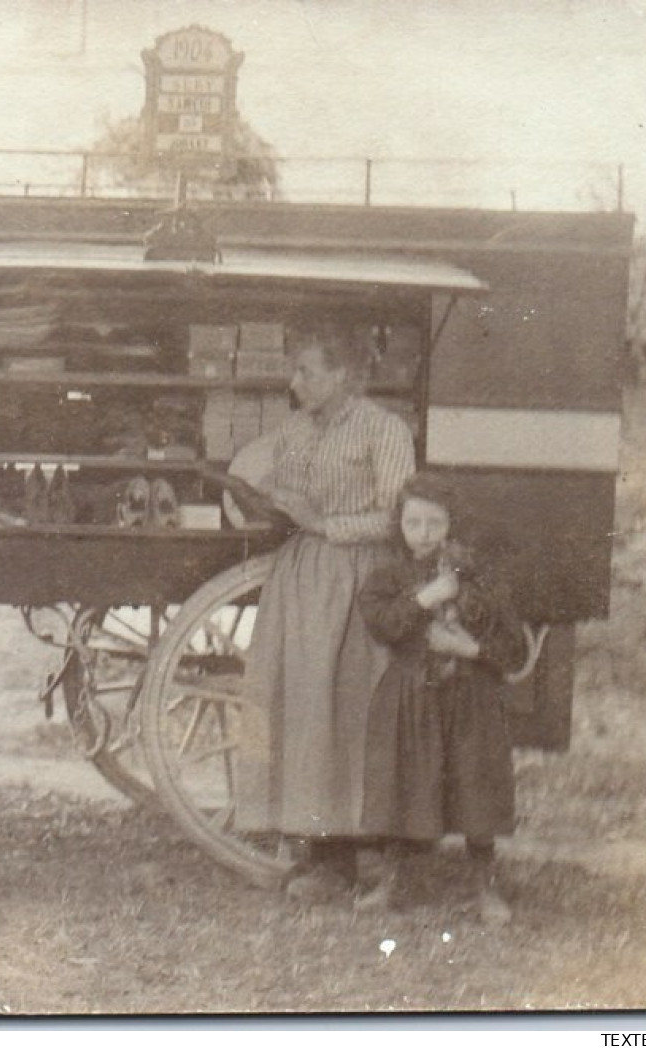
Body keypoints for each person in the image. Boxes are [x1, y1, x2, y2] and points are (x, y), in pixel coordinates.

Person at [236, 322, 416, 901]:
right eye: (295, 372)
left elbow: (399, 518)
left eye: (306, 371)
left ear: (342, 374)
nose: (295, 383)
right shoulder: (293, 430)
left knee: (349, 708)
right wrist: (267, 504)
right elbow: (283, 493)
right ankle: (318, 852)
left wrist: (325, 524)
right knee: (304, 709)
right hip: (300, 577)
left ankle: (358, 854)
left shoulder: (384, 430)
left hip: (357, 576)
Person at [355, 473, 528, 925]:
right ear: (400, 525)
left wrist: (467, 649)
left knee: (475, 786)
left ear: (452, 524)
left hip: (471, 699)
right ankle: (390, 883)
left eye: (435, 522)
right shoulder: (388, 576)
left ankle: (484, 887)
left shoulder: (480, 576)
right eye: (414, 522)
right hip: (410, 696)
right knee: (402, 785)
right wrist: (427, 597)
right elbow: (383, 624)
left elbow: (514, 650)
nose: (424, 533)